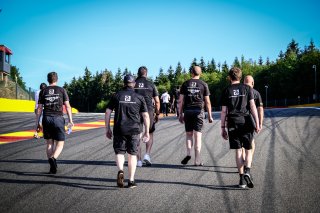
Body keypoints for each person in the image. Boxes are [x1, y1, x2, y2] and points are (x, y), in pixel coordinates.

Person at [105, 74, 150, 188]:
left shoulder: (116, 95)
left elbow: (107, 112)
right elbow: (145, 115)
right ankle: (131, 180)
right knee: (132, 155)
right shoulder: (139, 97)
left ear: (123, 83)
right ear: (134, 84)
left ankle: (120, 170)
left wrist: (107, 129)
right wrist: (147, 132)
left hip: (120, 129)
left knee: (120, 152)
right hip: (135, 130)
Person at [220, 67, 261, 188]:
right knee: (248, 149)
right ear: (240, 76)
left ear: (229, 77)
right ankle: (247, 171)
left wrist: (223, 127)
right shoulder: (248, 88)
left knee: (238, 151)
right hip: (246, 121)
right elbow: (253, 107)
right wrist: (258, 123)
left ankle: (242, 180)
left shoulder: (226, 90)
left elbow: (223, 111)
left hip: (232, 122)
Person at [36, 72, 74, 174]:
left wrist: (37, 124)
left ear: (48, 80)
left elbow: (39, 109)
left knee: (49, 144)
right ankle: (53, 158)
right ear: (57, 79)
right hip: (58, 118)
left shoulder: (43, 91)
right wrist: (71, 121)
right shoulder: (62, 90)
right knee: (60, 143)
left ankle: (51, 166)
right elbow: (68, 106)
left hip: (46, 118)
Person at [178, 66, 213, 166]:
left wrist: (180, 114)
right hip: (198, 112)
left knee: (189, 135)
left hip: (188, 111)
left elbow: (180, 101)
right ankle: (197, 160)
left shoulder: (185, 84)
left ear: (191, 73)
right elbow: (207, 102)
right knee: (197, 136)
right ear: (200, 73)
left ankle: (189, 154)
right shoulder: (203, 84)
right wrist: (210, 115)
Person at [134, 66, 160, 167]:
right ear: (146, 73)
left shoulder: (133, 84)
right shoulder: (151, 84)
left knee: (137, 135)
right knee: (150, 133)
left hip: (135, 111)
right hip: (148, 111)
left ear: (138, 73)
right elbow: (157, 101)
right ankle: (147, 155)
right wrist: (157, 114)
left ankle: (138, 160)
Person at [242, 75, 264, 169]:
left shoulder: (239, 91)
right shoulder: (256, 93)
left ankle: (242, 160)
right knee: (251, 141)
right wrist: (260, 123)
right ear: (253, 83)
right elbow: (260, 109)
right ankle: (248, 160)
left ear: (243, 82)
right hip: (251, 120)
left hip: (237, 119)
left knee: (241, 143)